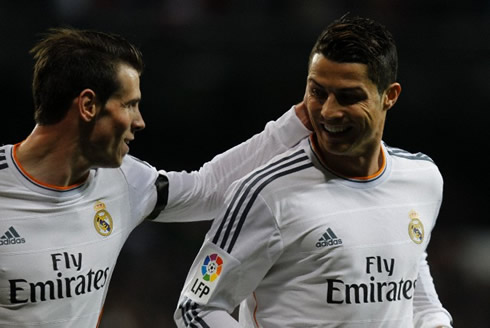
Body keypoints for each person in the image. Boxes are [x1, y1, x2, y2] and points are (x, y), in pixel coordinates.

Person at [0, 28, 311, 327]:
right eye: (130, 105)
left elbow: (208, 189)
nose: (140, 122)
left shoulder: (122, 180)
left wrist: (299, 121)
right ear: (88, 105)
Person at [175, 15, 453, 328]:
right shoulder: (265, 194)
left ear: (389, 96)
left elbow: (410, 267)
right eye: (318, 92)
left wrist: (434, 320)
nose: (329, 111)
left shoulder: (422, 179)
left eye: (348, 96)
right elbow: (195, 309)